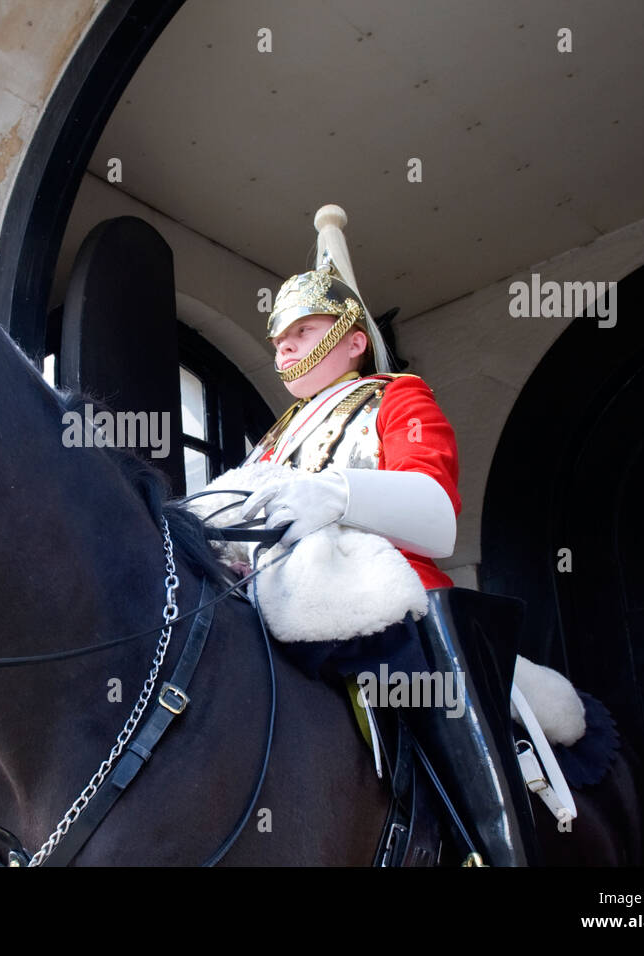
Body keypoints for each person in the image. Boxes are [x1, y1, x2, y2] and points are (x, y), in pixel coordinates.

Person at [239, 205, 536, 866]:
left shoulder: (396, 396)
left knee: (446, 707)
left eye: (303, 330)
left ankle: (498, 848)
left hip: (390, 600)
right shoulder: (272, 439)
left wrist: (332, 492)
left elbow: (435, 516)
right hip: (277, 603)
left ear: (351, 338)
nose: (284, 346)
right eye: (278, 337)